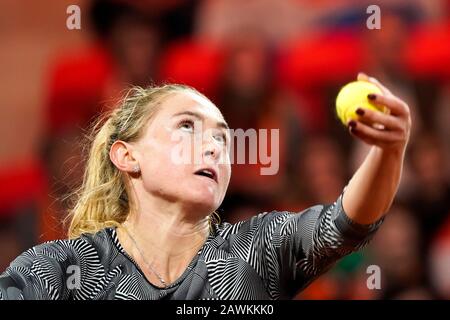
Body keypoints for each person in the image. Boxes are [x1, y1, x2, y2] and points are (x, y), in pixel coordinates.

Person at [0, 73, 411, 300]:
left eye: (222, 139)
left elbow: (344, 223)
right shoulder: (54, 272)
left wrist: (390, 151)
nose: (213, 148)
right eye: (186, 127)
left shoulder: (256, 251)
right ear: (127, 156)